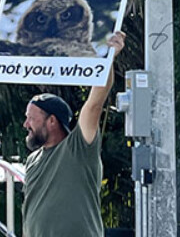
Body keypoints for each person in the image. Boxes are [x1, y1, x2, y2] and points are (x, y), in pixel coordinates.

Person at [22, 31, 126, 237]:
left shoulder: (78, 148)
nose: (25, 124)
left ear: (52, 121)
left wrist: (108, 59)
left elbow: (94, 104)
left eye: (31, 118)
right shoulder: (33, 159)